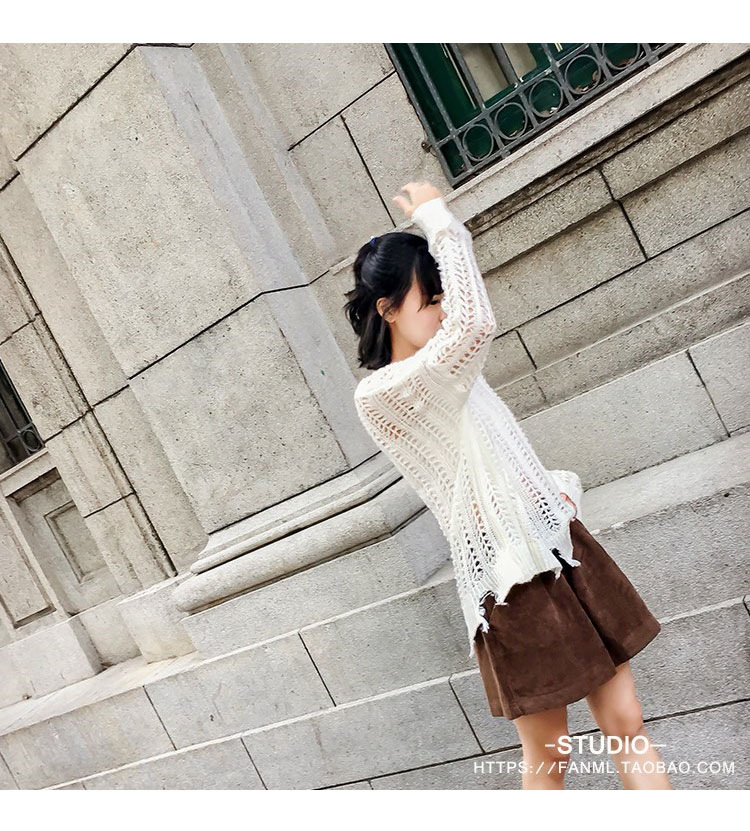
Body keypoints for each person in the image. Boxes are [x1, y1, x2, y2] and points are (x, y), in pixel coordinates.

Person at [344, 180, 671, 790]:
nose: (445, 309)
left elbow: (494, 457)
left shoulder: (448, 369)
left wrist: (555, 493)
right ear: (387, 310)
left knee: (627, 721)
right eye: (430, 298)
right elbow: (475, 323)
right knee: (549, 758)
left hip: (558, 547)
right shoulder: (385, 392)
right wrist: (438, 219)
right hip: (508, 581)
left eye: (445, 295)